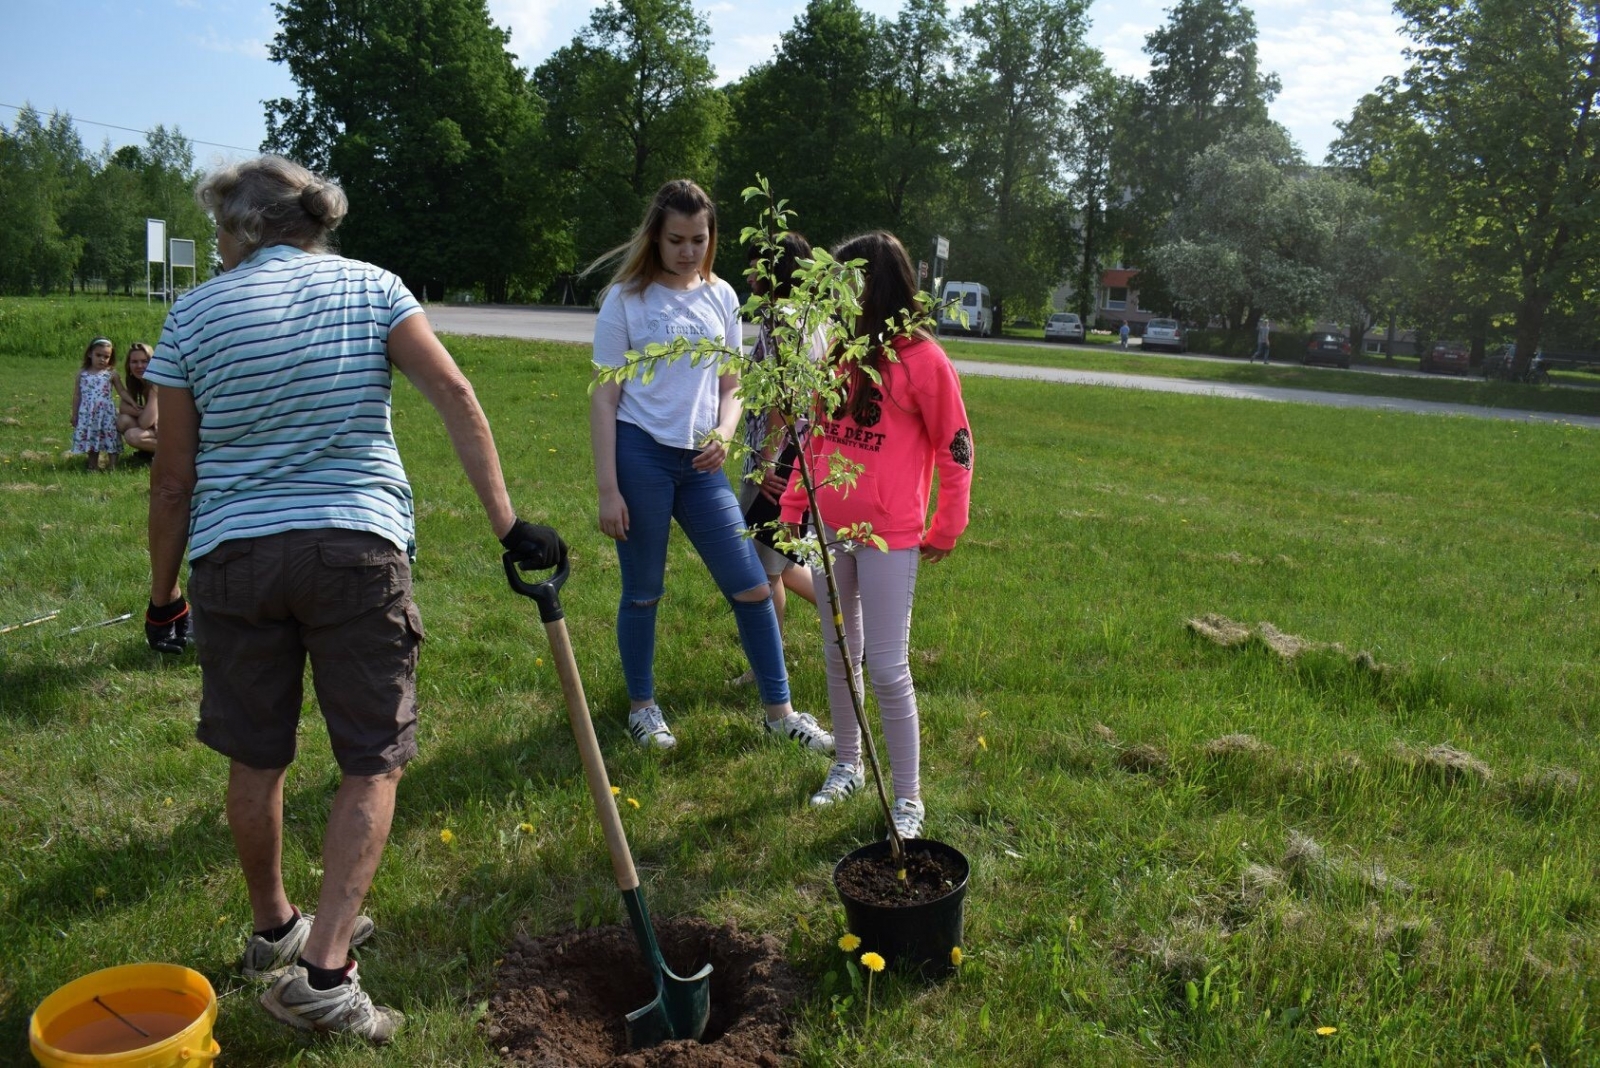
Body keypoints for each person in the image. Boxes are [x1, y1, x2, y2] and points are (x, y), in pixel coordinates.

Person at [143, 155, 563, 1044]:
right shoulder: (373, 288)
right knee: (372, 758)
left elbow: (172, 477)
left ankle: (273, 932)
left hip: (233, 561)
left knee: (256, 756)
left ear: (250, 228)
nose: (218, 246)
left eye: (222, 228)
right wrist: (507, 524)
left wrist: (163, 593)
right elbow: (452, 391)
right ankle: (322, 974)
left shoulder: (190, 317)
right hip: (352, 549)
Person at [588, 178, 832, 754]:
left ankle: (780, 713)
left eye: (699, 239)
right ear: (656, 236)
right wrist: (607, 489)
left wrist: (725, 433)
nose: (688, 251)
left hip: (703, 466)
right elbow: (603, 395)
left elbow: (732, 384)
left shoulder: (721, 297)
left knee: (750, 584)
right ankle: (643, 708)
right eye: (676, 239)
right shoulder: (626, 299)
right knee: (643, 591)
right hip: (640, 454)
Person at [779, 231, 973, 841]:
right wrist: (793, 504)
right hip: (833, 527)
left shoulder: (923, 361)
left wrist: (948, 522)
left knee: (887, 666)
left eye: (845, 285)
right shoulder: (839, 354)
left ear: (874, 286)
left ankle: (909, 799)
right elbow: (813, 436)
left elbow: (956, 446)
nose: (835, 297)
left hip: (891, 535)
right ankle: (847, 763)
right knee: (839, 650)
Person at [728, 233, 820, 688]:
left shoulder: (783, 321)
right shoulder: (806, 315)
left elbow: (788, 399)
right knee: (782, 557)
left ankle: (768, 669)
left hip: (778, 460)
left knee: (763, 572)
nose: (748, 276)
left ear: (775, 272)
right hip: (794, 456)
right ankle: (848, 615)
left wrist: (765, 464)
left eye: (755, 267)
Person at [71, 337, 131, 471]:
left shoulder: (111, 374)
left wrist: (132, 402)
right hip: (88, 413)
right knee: (92, 438)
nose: (102, 359)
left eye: (106, 356)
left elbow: (121, 390)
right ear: (90, 354)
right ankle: (93, 465)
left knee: (111, 436)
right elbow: (77, 395)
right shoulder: (82, 374)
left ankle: (113, 466)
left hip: (106, 413)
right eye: (98, 355)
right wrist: (74, 414)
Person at [119, 341, 159, 456]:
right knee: (122, 421)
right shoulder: (135, 381)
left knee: (132, 436)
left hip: (176, 429)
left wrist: (151, 417)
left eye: (144, 361)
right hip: (156, 426)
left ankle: (173, 453)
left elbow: (145, 423)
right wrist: (146, 413)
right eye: (134, 362)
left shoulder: (157, 383)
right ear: (129, 364)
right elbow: (123, 407)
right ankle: (149, 452)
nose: (139, 366)